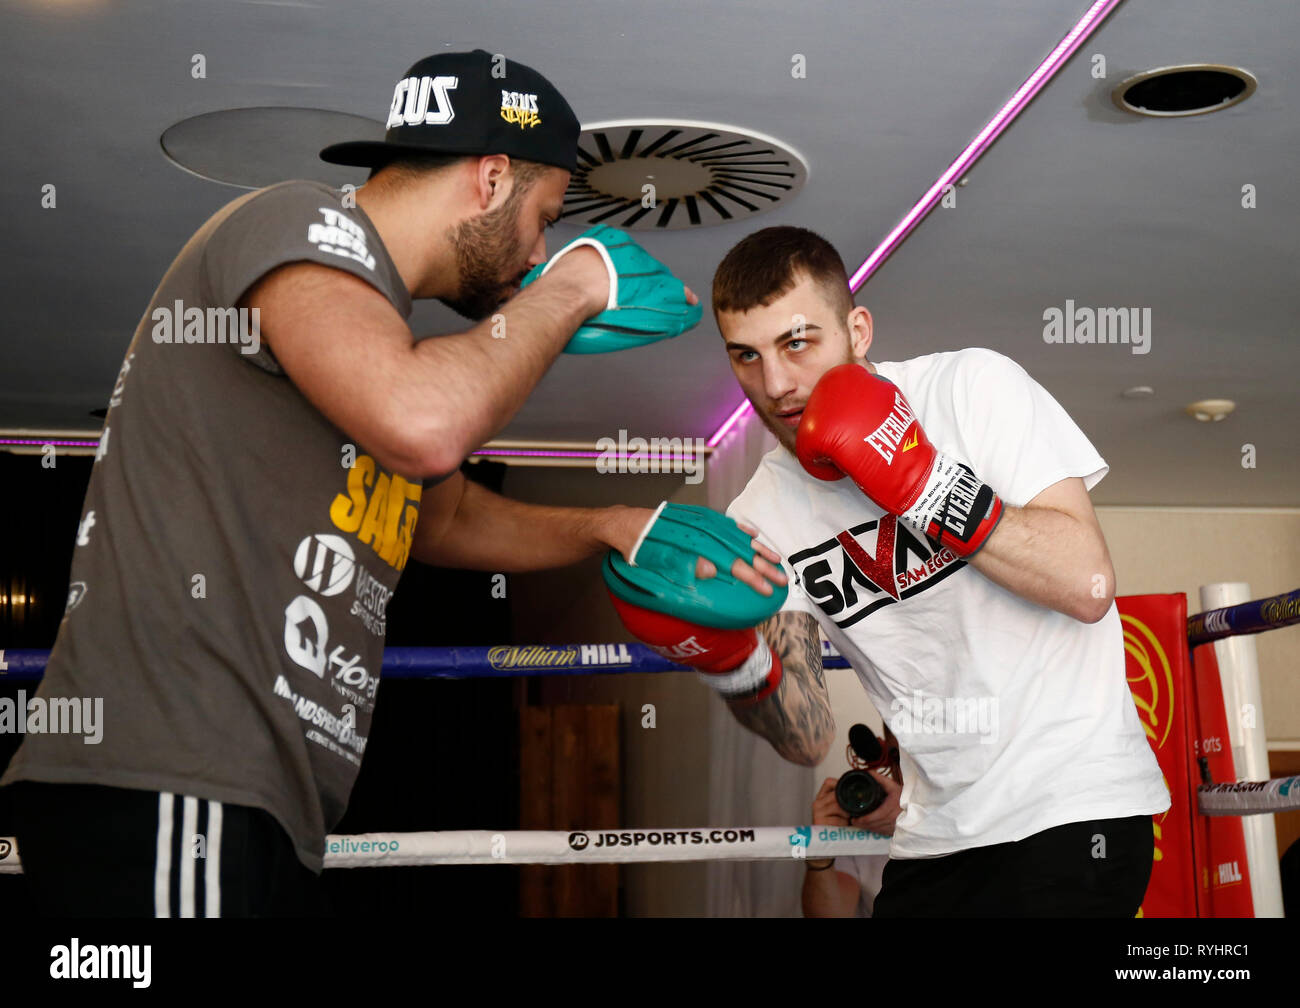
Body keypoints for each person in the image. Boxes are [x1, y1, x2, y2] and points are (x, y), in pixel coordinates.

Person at [0, 50, 784, 917]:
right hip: (174, 775)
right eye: (545, 218)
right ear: (491, 178)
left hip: (252, 798)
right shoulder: (296, 223)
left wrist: (610, 523)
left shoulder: (374, 337)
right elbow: (424, 424)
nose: (539, 250)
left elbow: (438, 519)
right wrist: (573, 288)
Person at [613, 225, 1170, 916]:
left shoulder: (971, 390)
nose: (776, 384)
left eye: (797, 343)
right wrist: (732, 664)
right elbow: (806, 729)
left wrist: (922, 483)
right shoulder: (761, 514)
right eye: (745, 356)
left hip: (1070, 809)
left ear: (859, 329)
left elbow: (1086, 585)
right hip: (932, 837)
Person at [801, 766, 901, 918]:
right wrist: (820, 854)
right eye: (897, 758)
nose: (904, 769)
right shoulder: (860, 826)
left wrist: (913, 821)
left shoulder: (949, 821)